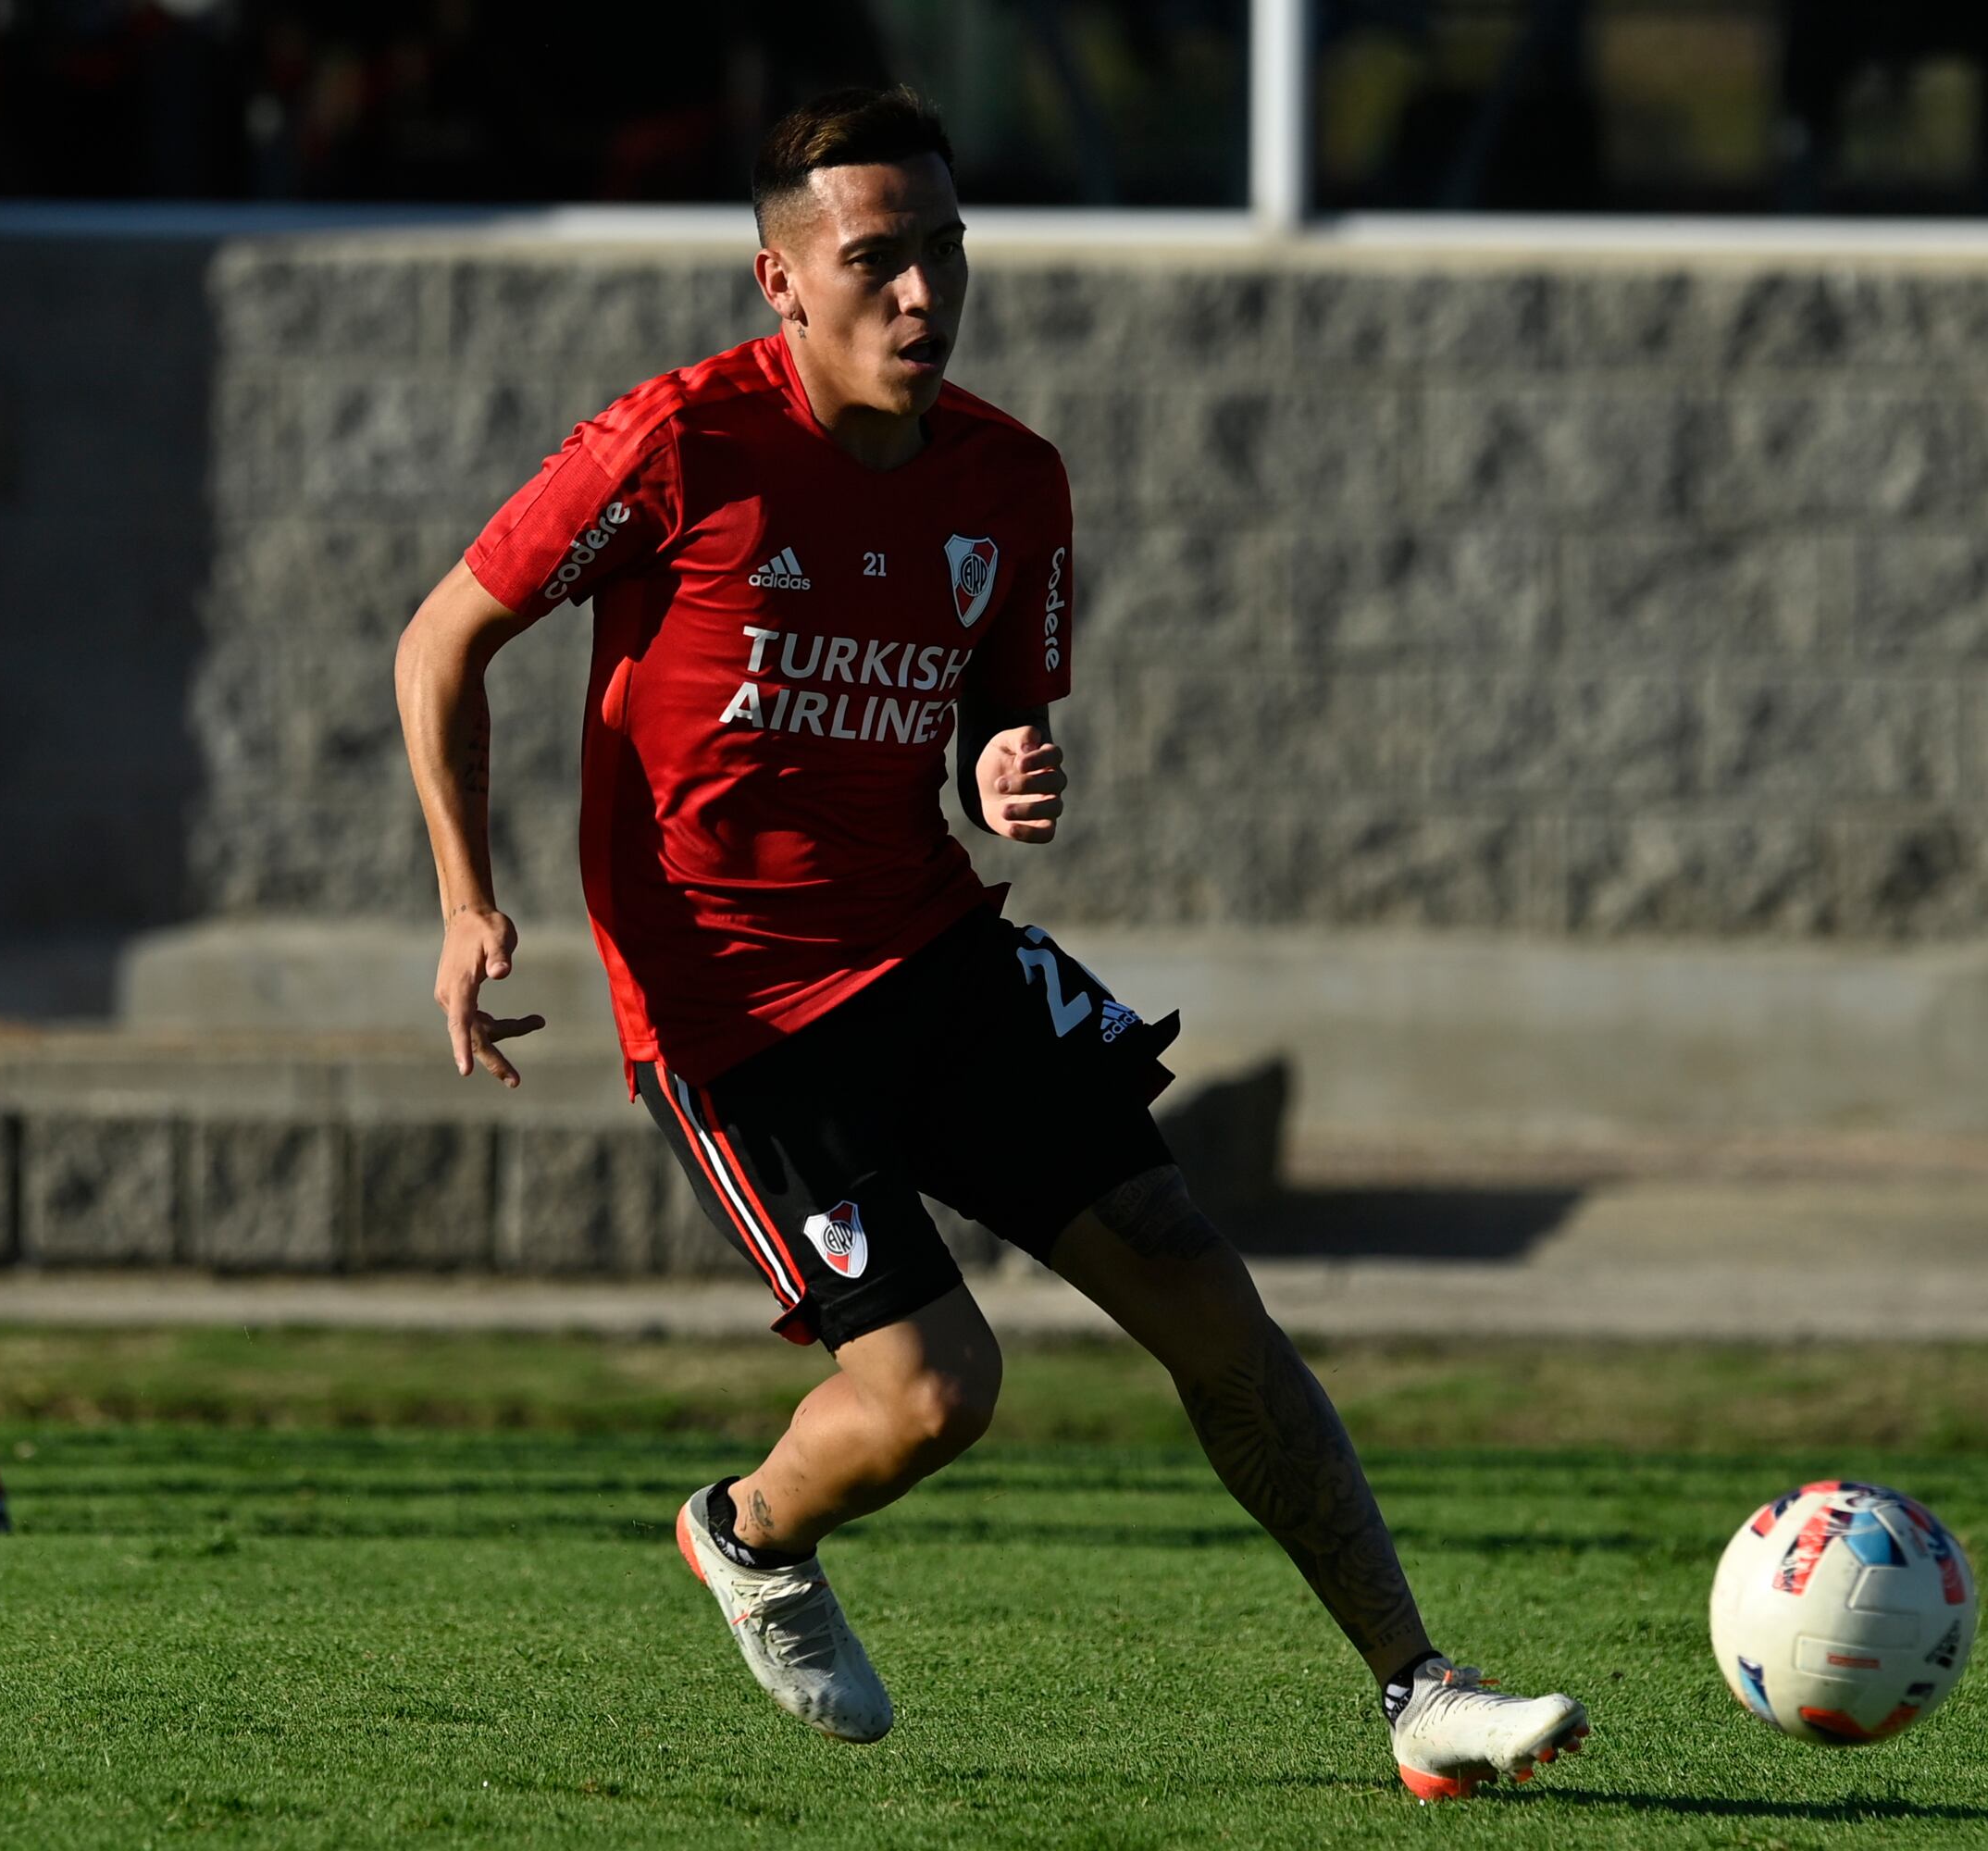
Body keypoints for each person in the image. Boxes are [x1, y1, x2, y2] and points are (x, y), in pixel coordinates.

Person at [391, 84, 1587, 1799]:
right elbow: (443, 641)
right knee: (939, 1392)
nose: (922, 295)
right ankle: (745, 1530)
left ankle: (1421, 1693)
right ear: (779, 282)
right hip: (738, 1014)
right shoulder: (676, 448)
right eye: (875, 259)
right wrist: (465, 900)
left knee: (1195, 1282)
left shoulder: (1013, 483)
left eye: (944, 250)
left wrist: (1007, 765)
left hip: (935, 952)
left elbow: (997, 724)